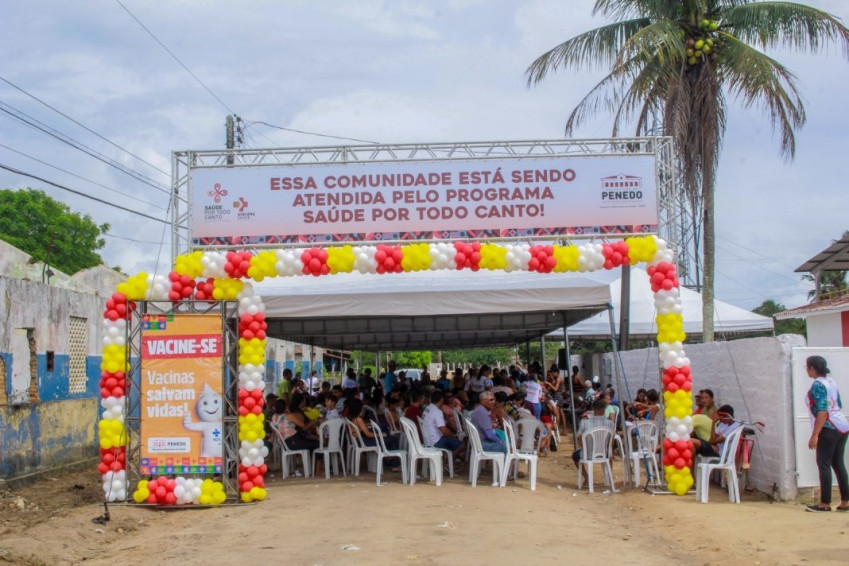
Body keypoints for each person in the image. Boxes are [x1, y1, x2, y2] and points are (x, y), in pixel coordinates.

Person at [804, 355, 849, 513]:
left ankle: (824, 503)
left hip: (828, 427)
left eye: (807, 367)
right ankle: (845, 501)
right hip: (842, 425)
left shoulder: (817, 385)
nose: (807, 370)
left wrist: (815, 435)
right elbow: (839, 404)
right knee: (838, 464)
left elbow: (822, 411)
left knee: (823, 464)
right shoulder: (831, 381)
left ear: (812, 369)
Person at [423, 390, 465, 462]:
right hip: (436, 441)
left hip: (427, 440)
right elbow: (444, 431)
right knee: (461, 445)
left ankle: (445, 462)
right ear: (441, 399)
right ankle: (447, 463)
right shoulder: (437, 412)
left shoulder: (427, 408)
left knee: (452, 440)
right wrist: (453, 435)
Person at [572, 400, 614, 466]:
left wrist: (583, 446)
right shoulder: (610, 423)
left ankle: (586, 476)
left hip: (588, 454)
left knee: (575, 455)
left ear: (593, 409)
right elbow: (611, 441)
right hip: (605, 454)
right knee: (610, 453)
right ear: (603, 410)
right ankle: (609, 474)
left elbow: (578, 436)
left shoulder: (584, 422)